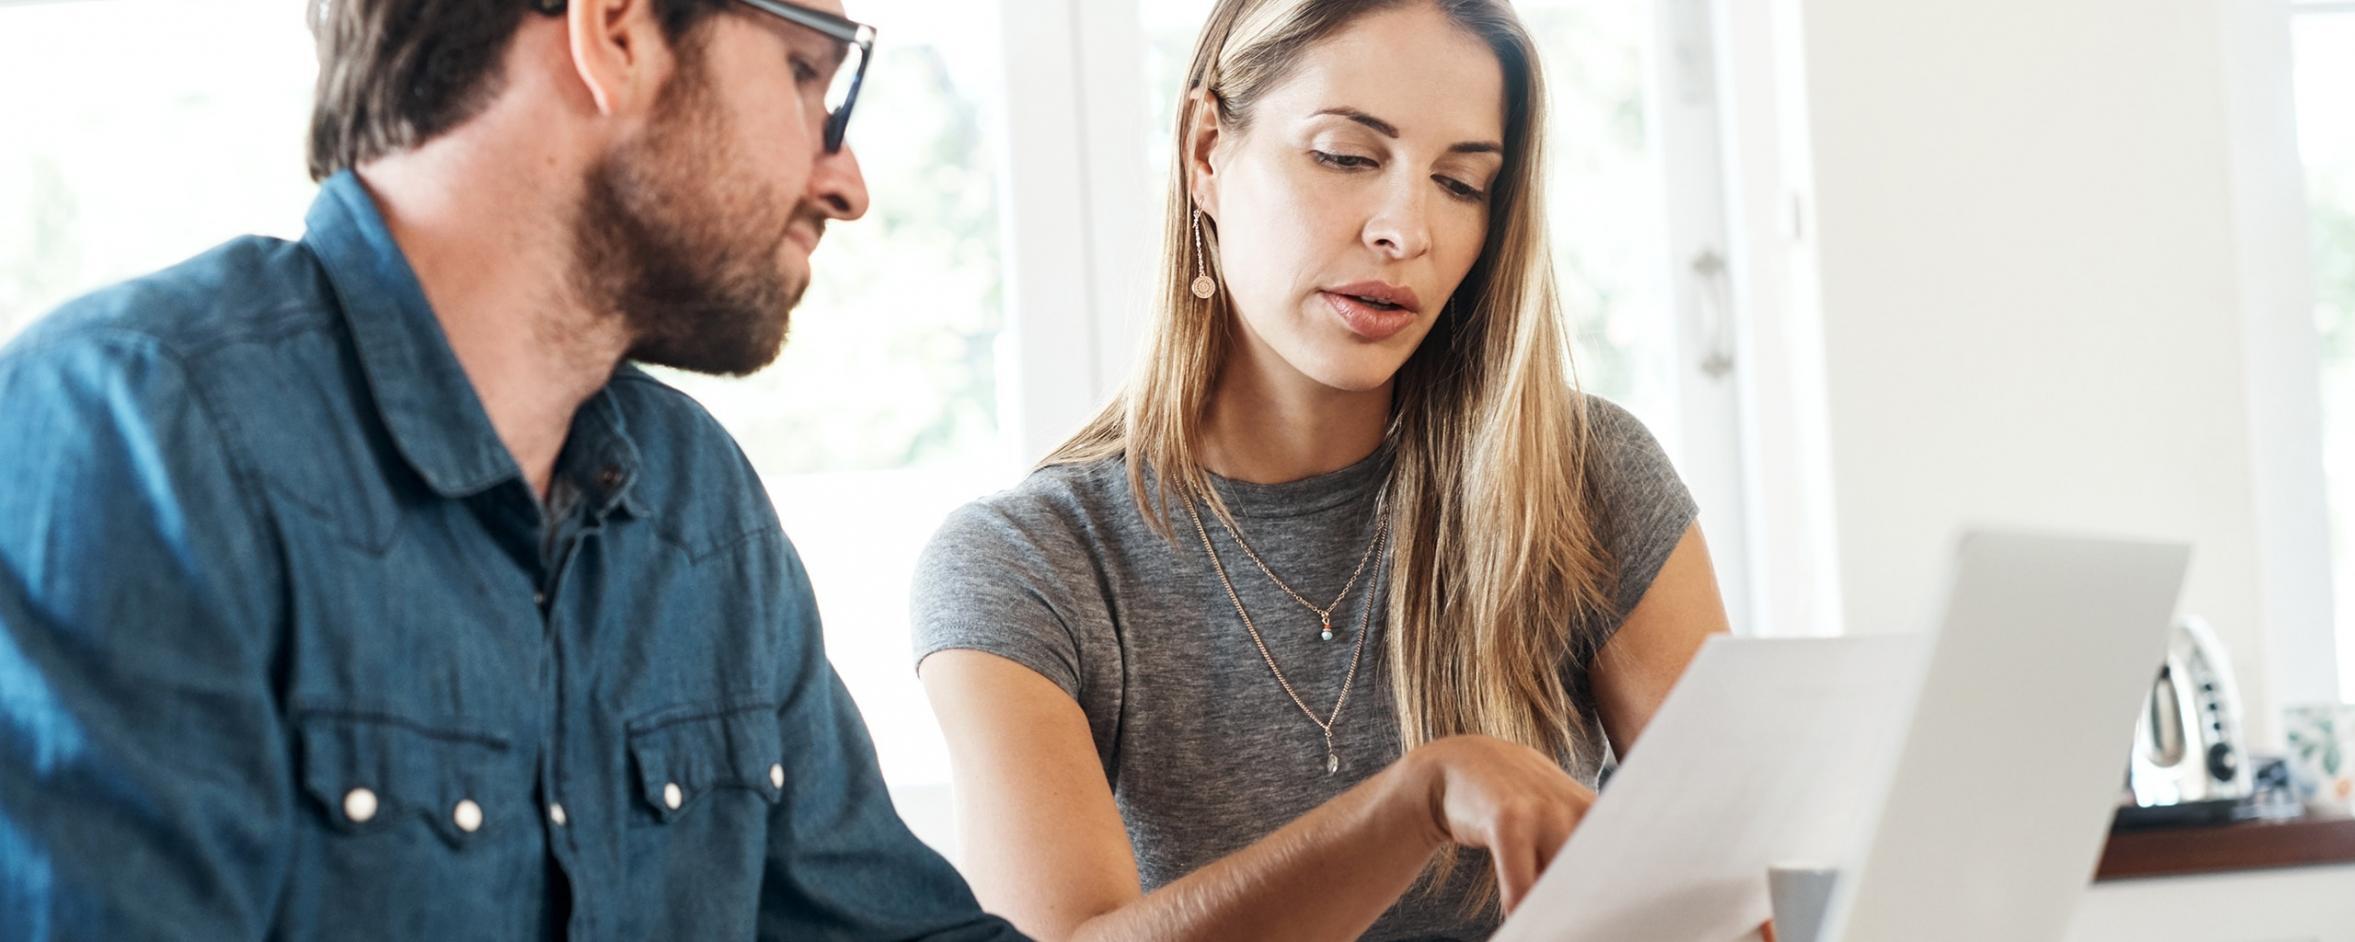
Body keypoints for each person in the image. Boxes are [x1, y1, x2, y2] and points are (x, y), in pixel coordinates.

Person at [0, 0, 1021, 938]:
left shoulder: (701, 507)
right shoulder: (130, 433)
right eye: (806, 72)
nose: (846, 186)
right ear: (614, 33)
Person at [911, 0, 1735, 939]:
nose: (1405, 229)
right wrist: (1415, 800)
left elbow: (1739, 879)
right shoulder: (1026, 565)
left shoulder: (1582, 480)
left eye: (1460, 183)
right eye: (1346, 157)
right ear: (1206, 151)